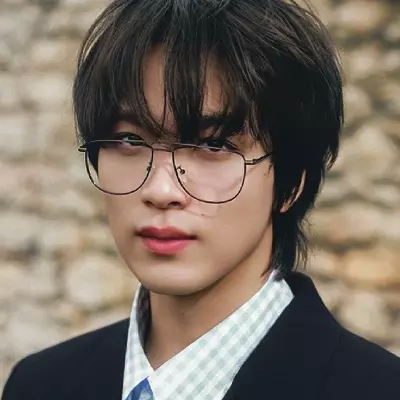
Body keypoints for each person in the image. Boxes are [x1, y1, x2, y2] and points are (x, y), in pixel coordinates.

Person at [2, 0, 400, 399]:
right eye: (129, 140)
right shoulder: (39, 385)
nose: (161, 190)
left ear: (292, 182)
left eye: (214, 145)